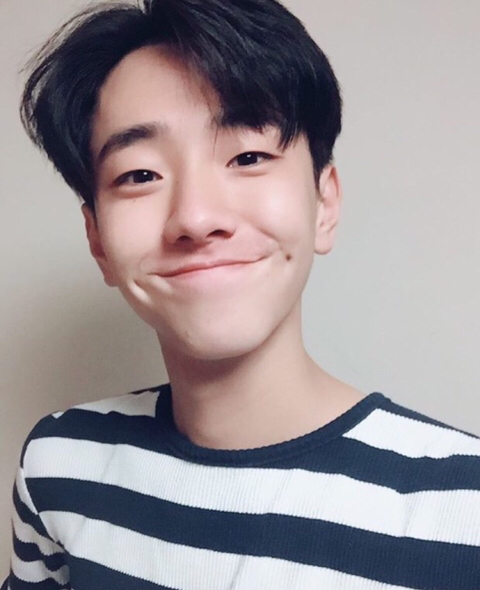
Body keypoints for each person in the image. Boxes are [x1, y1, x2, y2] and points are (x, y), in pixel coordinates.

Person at [3, 0, 480, 588]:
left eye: (248, 156)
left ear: (324, 204)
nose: (196, 217)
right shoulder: (58, 463)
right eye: (140, 175)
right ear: (97, 239)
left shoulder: (463, 510)